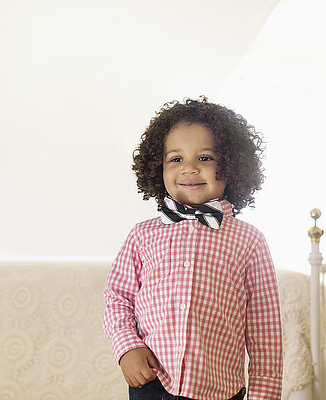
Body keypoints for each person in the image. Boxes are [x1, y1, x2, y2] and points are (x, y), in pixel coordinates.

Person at [103, 97, 283, 400]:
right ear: (157, 166)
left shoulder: (249, 241)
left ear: (231, 165)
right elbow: (117, 299)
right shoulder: (142, 236)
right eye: (176, 159)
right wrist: (127, 347)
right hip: (152, 384)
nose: (189, 169)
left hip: (219, 390)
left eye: (205, 158)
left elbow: (265, 334)